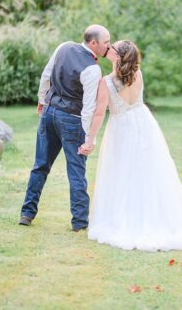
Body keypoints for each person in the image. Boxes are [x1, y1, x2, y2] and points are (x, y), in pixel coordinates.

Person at [82, 40, 182, 251]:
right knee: (149, 170)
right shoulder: (138, 74)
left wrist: (89, 139)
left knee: (122, 172)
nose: (108, 49)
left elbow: (99, 113)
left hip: (121, 127)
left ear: (118, 56)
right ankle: (157, 216)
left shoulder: (106, 82)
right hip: (144, 124)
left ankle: (127, 218)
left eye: (112, 48)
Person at [19, 25, 111, 231]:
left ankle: (27, 213)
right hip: (72, 120)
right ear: (93, 43)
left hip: (49, 114)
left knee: (40, 165)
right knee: (76, 171)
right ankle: (79, 222)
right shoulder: (92, 69)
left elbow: (46, 76)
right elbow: (89, 108)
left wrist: (42, 100)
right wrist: (90, 138)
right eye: (106, 42)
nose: (109, 46)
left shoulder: (63, 47)